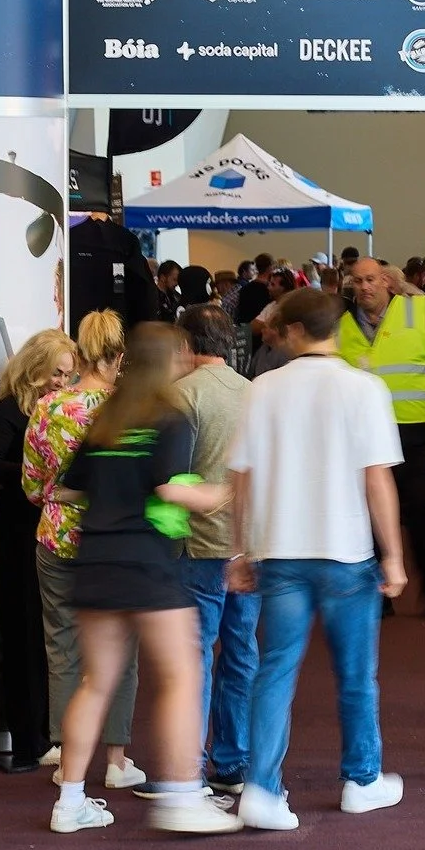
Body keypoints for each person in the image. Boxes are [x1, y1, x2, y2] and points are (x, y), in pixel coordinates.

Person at [227, 288, 408, 830]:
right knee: (356, 675)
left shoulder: (261, 390)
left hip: (278, 551)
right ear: (336, 328)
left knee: (275, 670)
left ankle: (261, 788)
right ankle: (362, 779)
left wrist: (240, 550)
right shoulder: (364, 388)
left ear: (293, 331)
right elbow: (377, 478)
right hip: (346, 551)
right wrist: (394, 554)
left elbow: (241, 478)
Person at [51, 324, 240, 835]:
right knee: (181, 676)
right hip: (148, 564)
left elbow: (68, 491)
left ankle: (69, 801)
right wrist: (219, 494)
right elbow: (170, 488)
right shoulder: (170, 417)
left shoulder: (105, 419)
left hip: (96, 561)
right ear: (174, 357)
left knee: (95, 684)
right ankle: (181, 796)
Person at [23, 310, 143, 784]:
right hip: (113, 541)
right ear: (116, 356)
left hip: (56, 537)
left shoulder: (50, 406)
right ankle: (115, 761)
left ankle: (70, 757)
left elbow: (33, 484)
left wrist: (58, 496)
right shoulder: (128, 408)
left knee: (63, 648)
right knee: (121, 652)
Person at [338, 258, 425, 618]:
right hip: (367, 438)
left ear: (388, 283)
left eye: (371, 280)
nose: (364, 287)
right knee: (370, 513)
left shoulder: (418, 311)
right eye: (358, 281)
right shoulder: (342, 325)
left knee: (423, 507)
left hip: (420, 430)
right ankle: (381, 591)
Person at [170, 305, 259, 797]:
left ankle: (189, 767)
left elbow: (172, 476)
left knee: (194, 657)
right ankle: (234, 760)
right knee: (241, 654)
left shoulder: (181, 396)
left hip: (195, 546)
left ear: (187, 344)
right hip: (247, 545)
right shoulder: (254, 395)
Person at [0, 328, 76, 771]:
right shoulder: (8, 411)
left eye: (67, 375)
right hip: (19, 538)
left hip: (45, 534)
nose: (61, 381)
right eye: (56, 372)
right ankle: (29, 741)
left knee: (46, 639)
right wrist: (39, 476)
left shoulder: (53, 411)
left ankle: (44, 735)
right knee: (24, 639)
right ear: (35, 367)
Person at [235, 253, 274, 324]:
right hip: (262, 330)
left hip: (246, 330)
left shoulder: (245, 288)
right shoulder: (271, 291)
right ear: (270, 267)